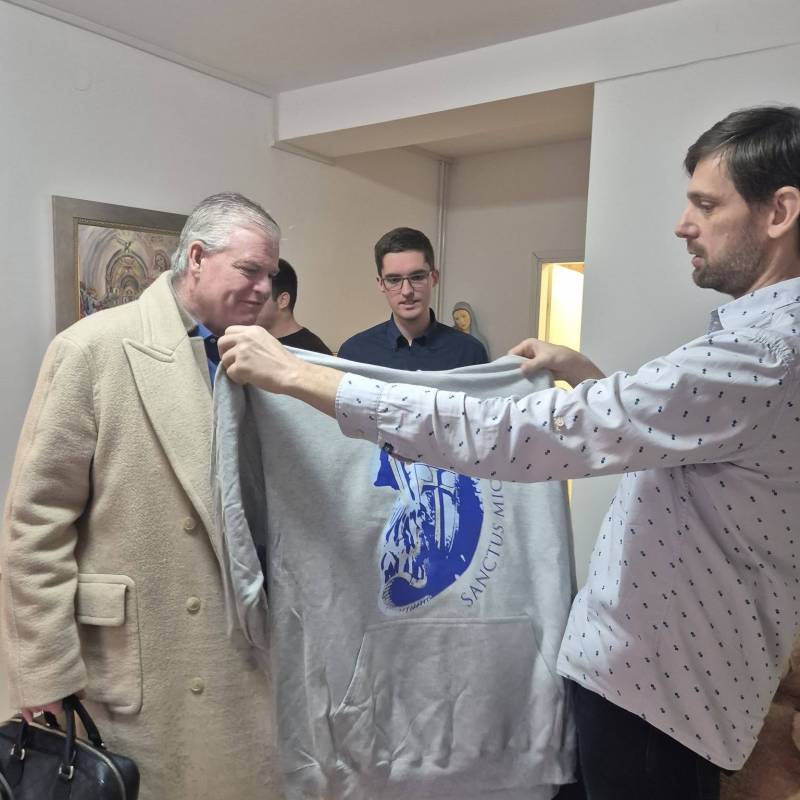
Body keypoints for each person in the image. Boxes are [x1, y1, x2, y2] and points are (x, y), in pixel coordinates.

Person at [218, 105, 800, 800]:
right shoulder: (761, 348)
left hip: (659, 697)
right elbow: (675, 443)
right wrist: (584, 373)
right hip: (665, 684)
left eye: (705, 205)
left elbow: (513, 436)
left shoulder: (762, 354)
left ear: (779, 212)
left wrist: (300, 376)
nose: (683, 224)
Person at [1, 193, 283, 800]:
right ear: (197, 258)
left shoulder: (259, 359)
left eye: (271, 273)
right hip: (135, 660)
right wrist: (43, 672)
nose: (266, 288)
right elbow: (34, 525)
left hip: (241, 647)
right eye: (250, 269)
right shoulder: (92, 349)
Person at [338, 226, 488, 369]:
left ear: (434, 278)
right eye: (394, 280)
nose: (407, 291)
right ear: (381, 284)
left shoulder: (470, 353)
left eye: (417, 277)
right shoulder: (354, 355)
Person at [256, 257, 332, 354]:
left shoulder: (314, 353)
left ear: (283, 301)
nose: (248, 303)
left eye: (258, 295)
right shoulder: (251, 343)